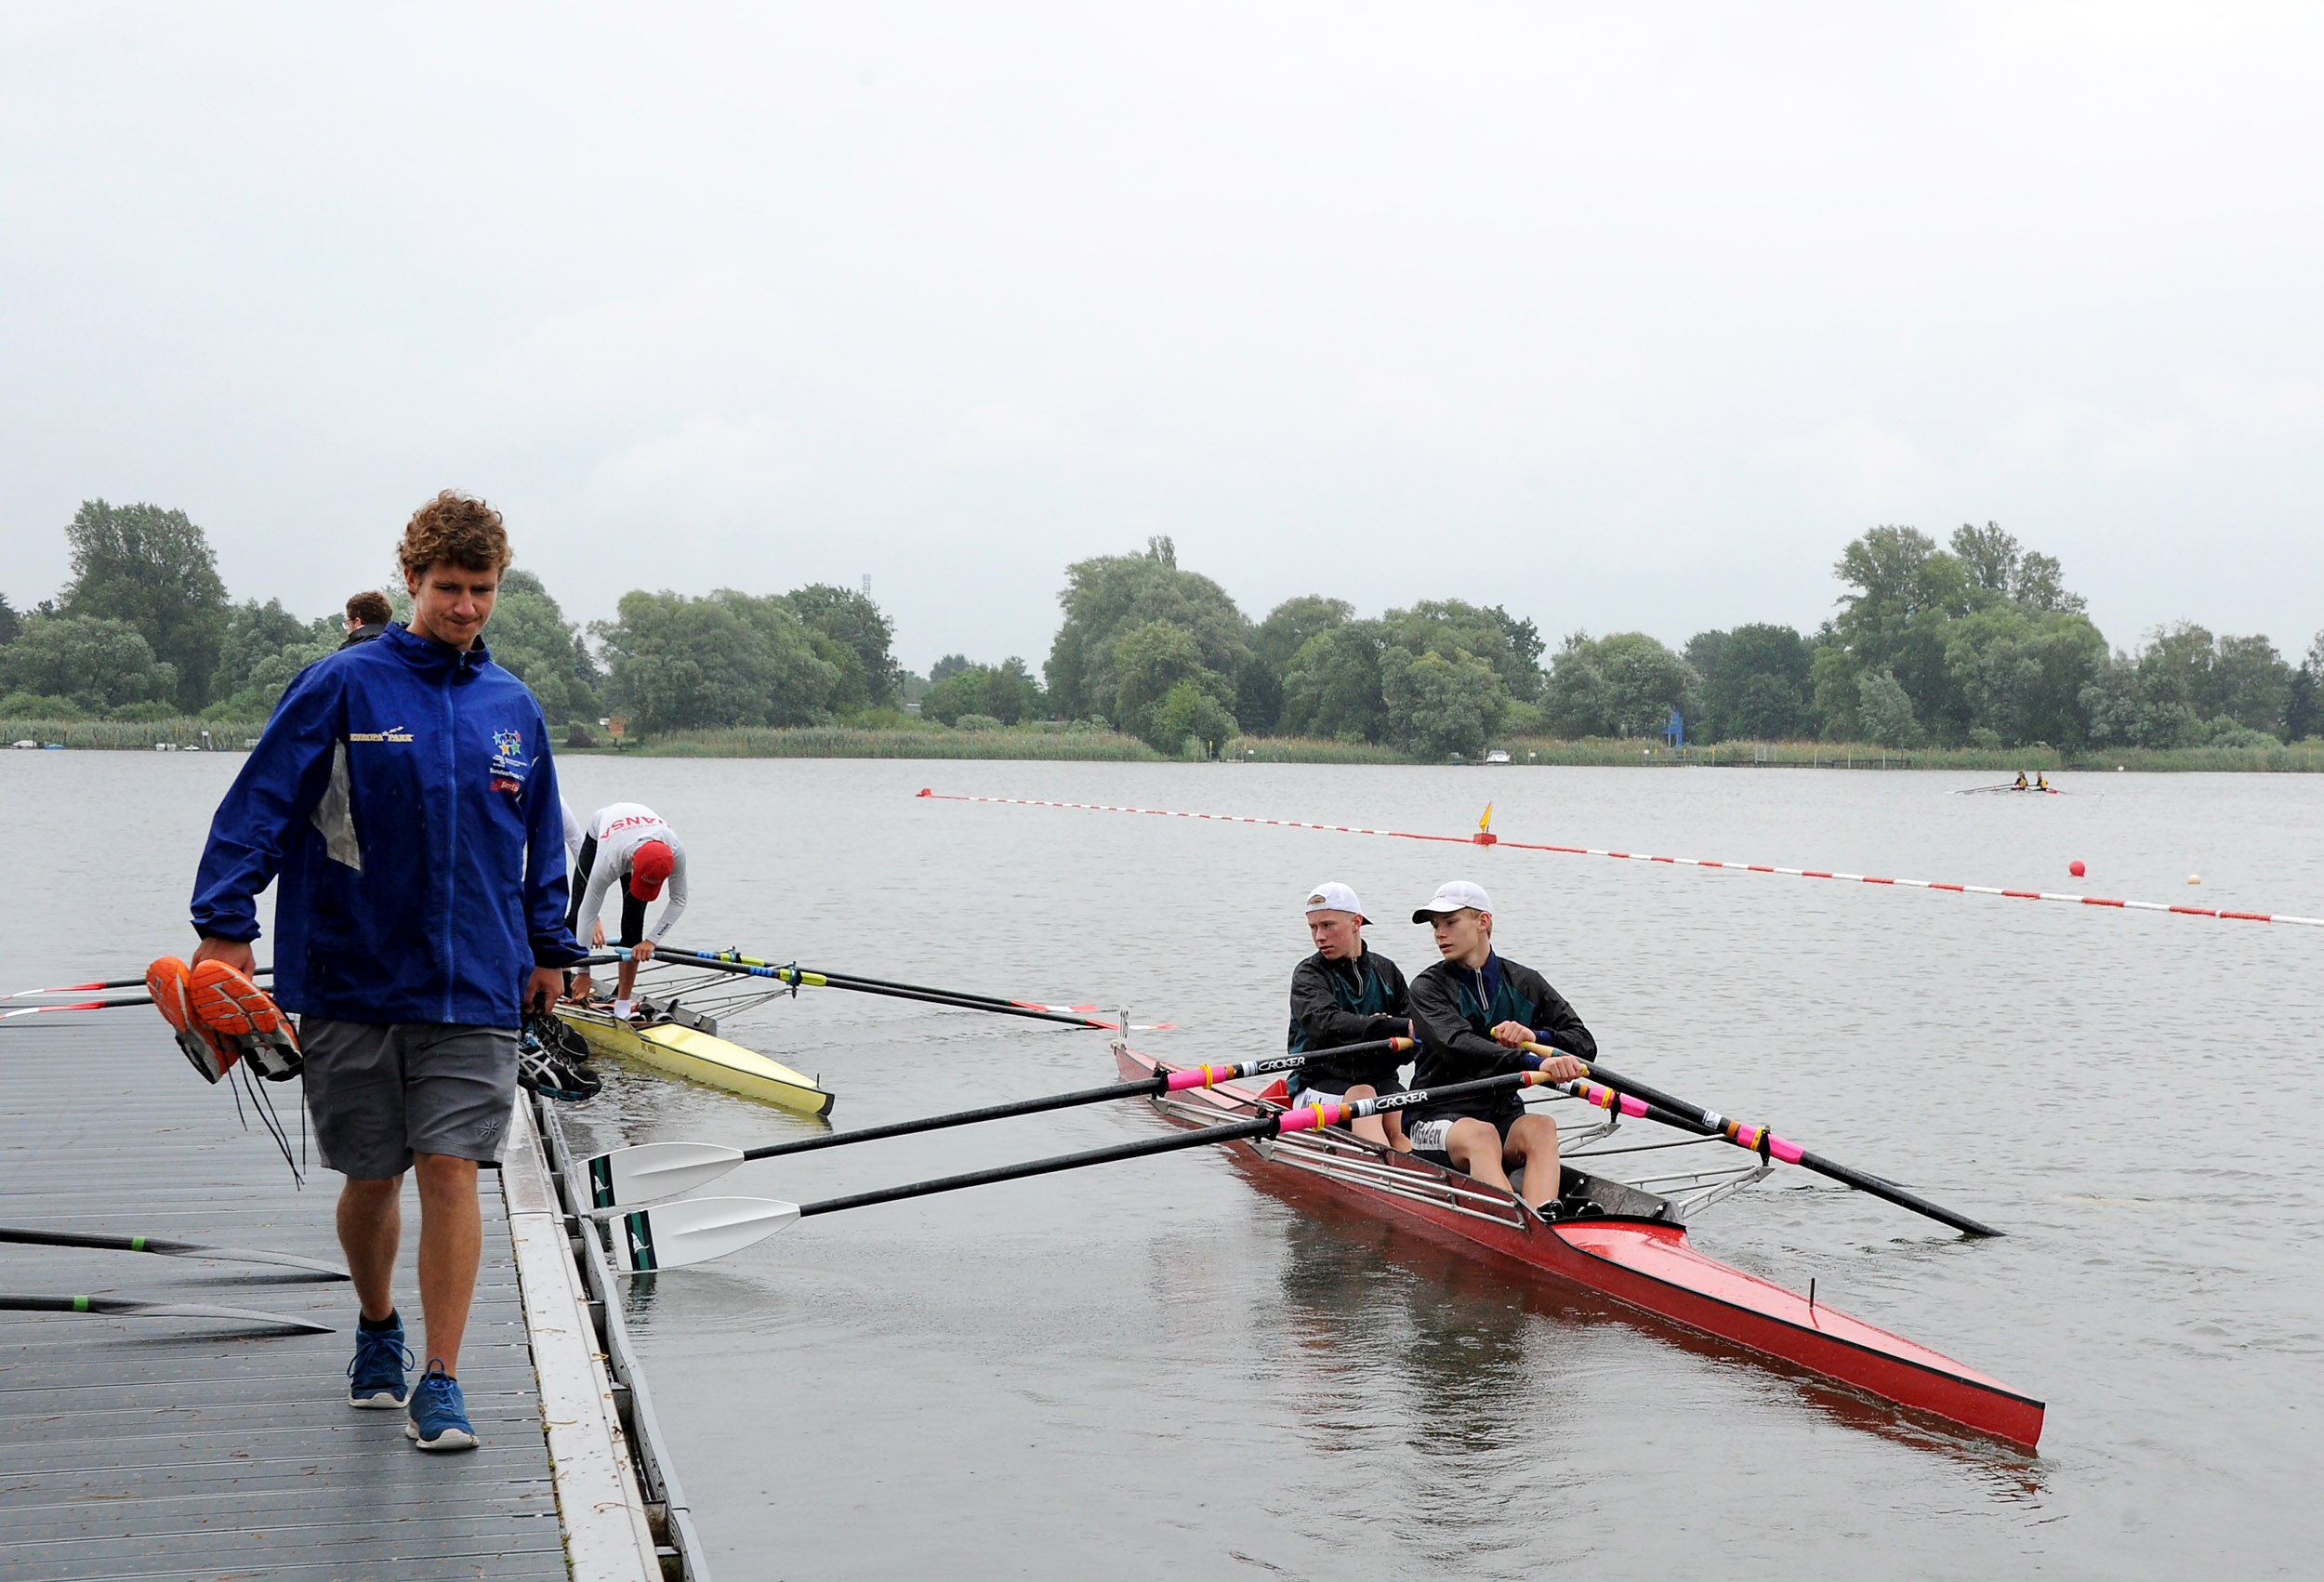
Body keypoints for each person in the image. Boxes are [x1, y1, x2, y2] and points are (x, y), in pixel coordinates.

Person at [189, 490, 584, 1452]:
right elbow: (261, 805)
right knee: (374, 1176)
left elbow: (541, 846)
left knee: (452, 1168)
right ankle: (377, 1329)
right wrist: (224, 924)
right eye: (448, 588)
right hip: (350, 974)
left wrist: (551, 951)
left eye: (481, 589)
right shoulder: (340, 685)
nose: (465, 608)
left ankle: (441, 1381)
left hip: (475, 987)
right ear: (412, 580)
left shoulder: (514, 708)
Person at [1404, 880, 1593, 1214]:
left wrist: (1536, 1037)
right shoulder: (1427, 988)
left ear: (1483, 922)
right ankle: (1521, 1225)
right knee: (1482, 1136)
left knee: (1541, 1127)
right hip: (1434, 1115)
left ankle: (1542, 1218)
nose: (1439, 934)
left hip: (1500, 1113)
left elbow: (1583, 1042)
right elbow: (1458, 1045)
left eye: (1450, 922)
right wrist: (1533, 1062)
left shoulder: (1524, 981)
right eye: (1436, 926)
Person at [1286, 881, 1413, 1152]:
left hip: (1380, 1080)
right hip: (1316, 1082)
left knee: (1402, 1114)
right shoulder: (1309, 975)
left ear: (1356, 922)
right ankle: (1385, 1175)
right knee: (1363, 1098)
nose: (1319, 936)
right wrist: (1386, 1026)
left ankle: (1413, 1174)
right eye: (1313, 927)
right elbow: (1327, 1025)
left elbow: (1410, 1042)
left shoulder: (1387, 971)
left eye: (1328, 925)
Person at [564, 803, 689, 1021]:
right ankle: (564, 985)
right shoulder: (609, 860)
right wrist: (584, 972)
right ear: (632, 862)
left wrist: (651, 941)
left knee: (632, 927)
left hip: (642, 841)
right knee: (575, 919)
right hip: (603, 831)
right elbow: (588, 912)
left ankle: (622, 1007)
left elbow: (679, 900)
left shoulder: (675, 852)